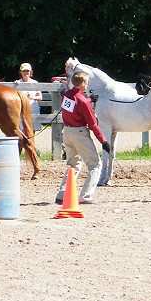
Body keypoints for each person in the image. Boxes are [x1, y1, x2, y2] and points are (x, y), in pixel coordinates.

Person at [55, 70, 111, 205]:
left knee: (73, 165)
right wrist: (103, 141)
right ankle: (86, 196)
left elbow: (75, 106)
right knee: (95, 165)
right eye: (86, 82)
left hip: (67, 133)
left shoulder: (67, 95)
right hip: (80, 134)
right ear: (82, 84)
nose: (88, 84)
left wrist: (89, 99)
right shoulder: (84, 102)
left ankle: (62, 194)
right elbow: (92, 124)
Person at [14, 62, 42, 131]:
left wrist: (32, 97)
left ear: (30, 72)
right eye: (24, 71)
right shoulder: (17, 83)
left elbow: (40, 97)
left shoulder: (35, 83)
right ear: (21, 72)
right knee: (23, 131)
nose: (26, 72)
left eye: (27, 71)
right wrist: (15, 85)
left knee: (32, 131)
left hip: (33, 109)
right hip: (21, 110)